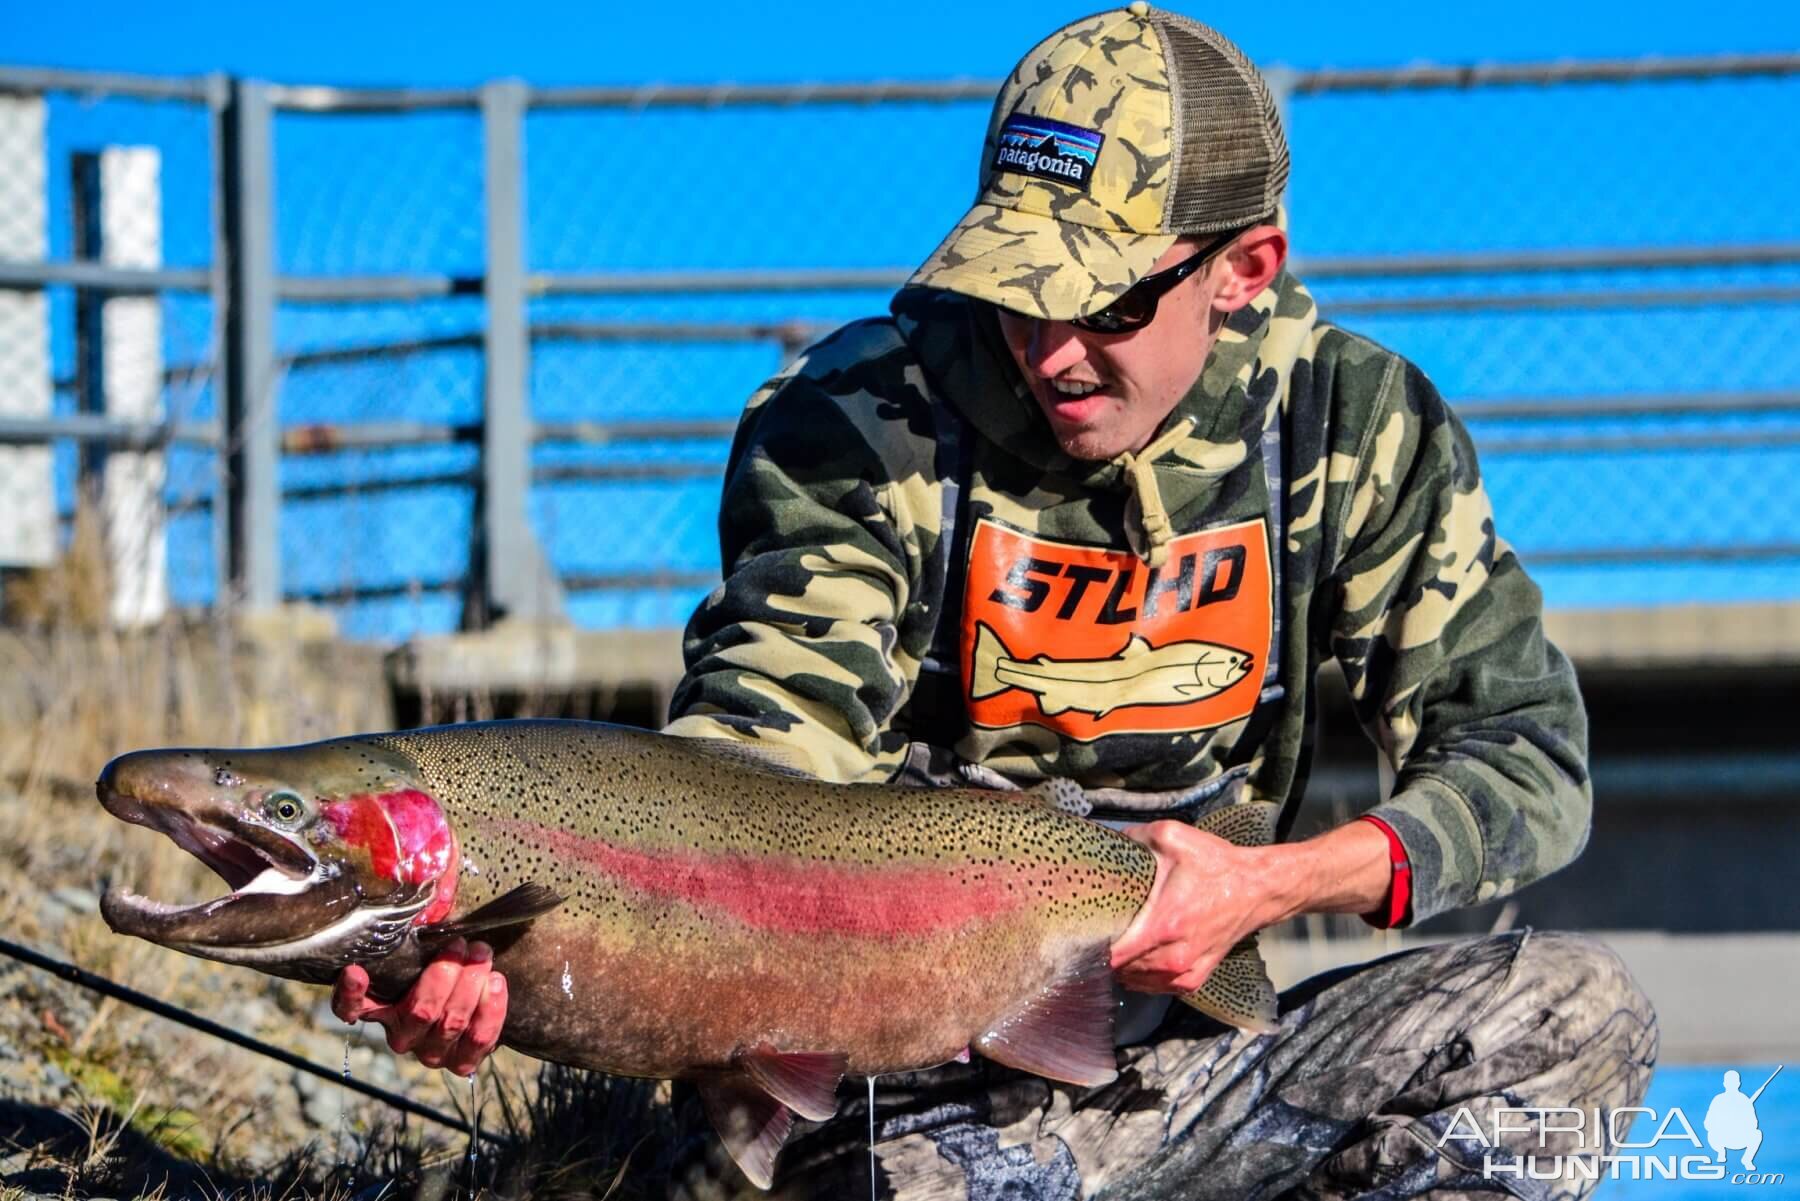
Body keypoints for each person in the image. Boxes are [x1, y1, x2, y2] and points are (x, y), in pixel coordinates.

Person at [335, 6, 1659, 1196]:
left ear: (1246, 267)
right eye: (1021, 291)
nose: (1052, 348)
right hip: (886, 1087)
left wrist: (1270, 885)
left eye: (1108, 301)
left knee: (1580, 1014)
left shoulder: (1352, 427)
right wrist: (556, 948)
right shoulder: (860, 420)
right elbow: (757, 746)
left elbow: (1527, 754)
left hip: (1188, 1072)